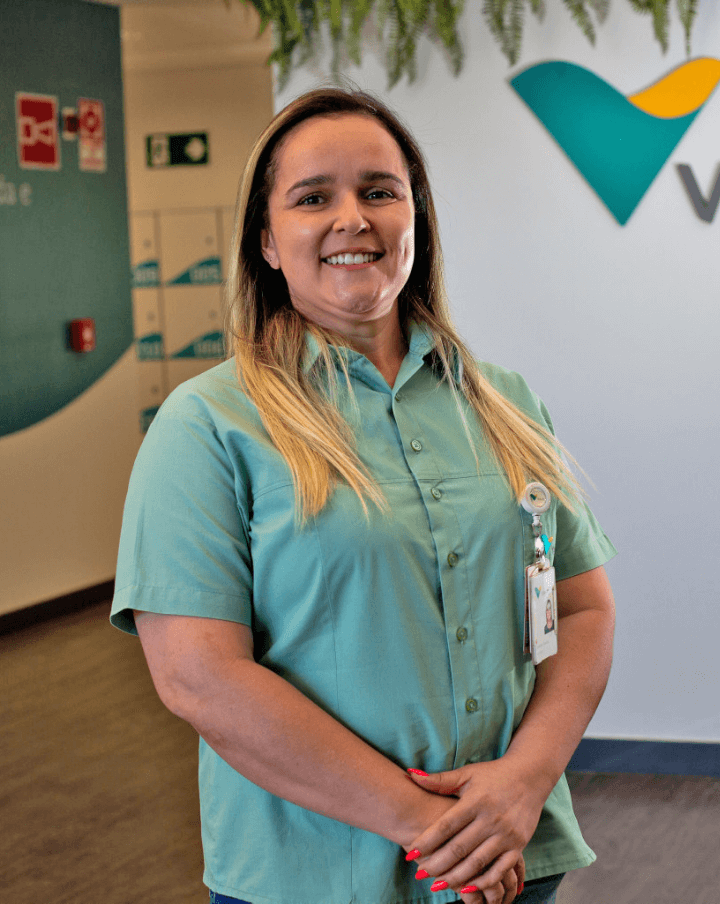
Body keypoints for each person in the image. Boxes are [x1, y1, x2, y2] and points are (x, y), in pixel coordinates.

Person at [111, 88, 616, 904]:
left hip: (513, 859)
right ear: (268, 242)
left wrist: (523, 783)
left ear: (415, 218)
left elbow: (583, 611)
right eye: (314, 198)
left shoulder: (506, 401)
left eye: (380, 191)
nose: (354, 218)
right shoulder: (206, 423)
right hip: (317, 876)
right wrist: (435, 829)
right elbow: (199, 678)